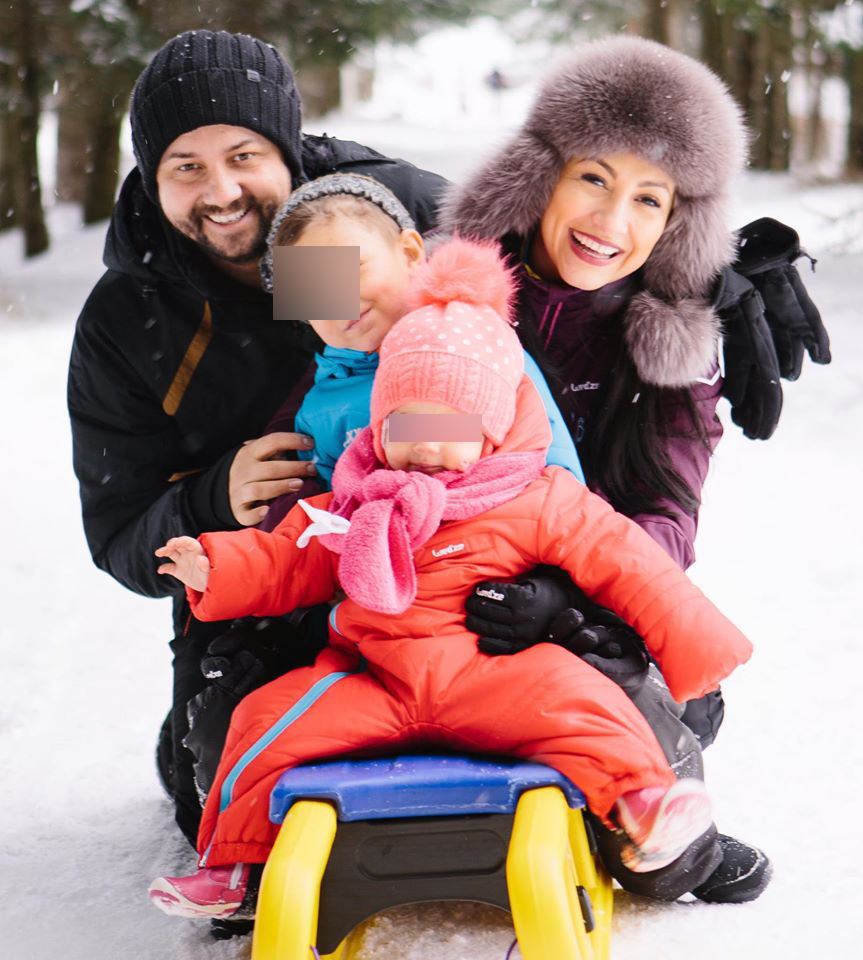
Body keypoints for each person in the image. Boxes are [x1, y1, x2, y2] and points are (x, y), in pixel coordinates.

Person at [147, 239, 752, 920]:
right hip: (375, 679)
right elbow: (289, 559)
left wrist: (701, 648)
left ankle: (645, 810)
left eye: (452, 425)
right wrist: (215, 566)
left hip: (498, 676)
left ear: (492, 430)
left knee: (586, 701)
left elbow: (632, 567)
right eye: (408, 423)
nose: (428, 445)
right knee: (262, 723)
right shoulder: (354, 499)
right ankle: (235, 865)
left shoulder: (537, 496)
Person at [440, 35, 829, 902]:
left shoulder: (670, 347)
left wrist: (571, 599)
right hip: (437, 580)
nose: (611, 222)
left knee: (674, 689)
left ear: (676, 224)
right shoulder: (443, 301)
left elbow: (666, 511)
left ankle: (653, 824)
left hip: (583, 587)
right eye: (592, 177)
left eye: (648, 199)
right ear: (537, 175)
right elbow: (400, 441)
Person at [66, 29, 448, 854]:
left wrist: (710, 279)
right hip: (269, 574)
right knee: (218, 786)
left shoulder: (373, 218)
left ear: (287, 150)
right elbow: (121, 535)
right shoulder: (130, 315)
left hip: (441, 541)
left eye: (243, 156)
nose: (222, 190)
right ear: (151, 176)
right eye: (186, 167)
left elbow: (565, 296)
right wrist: (213, 497)